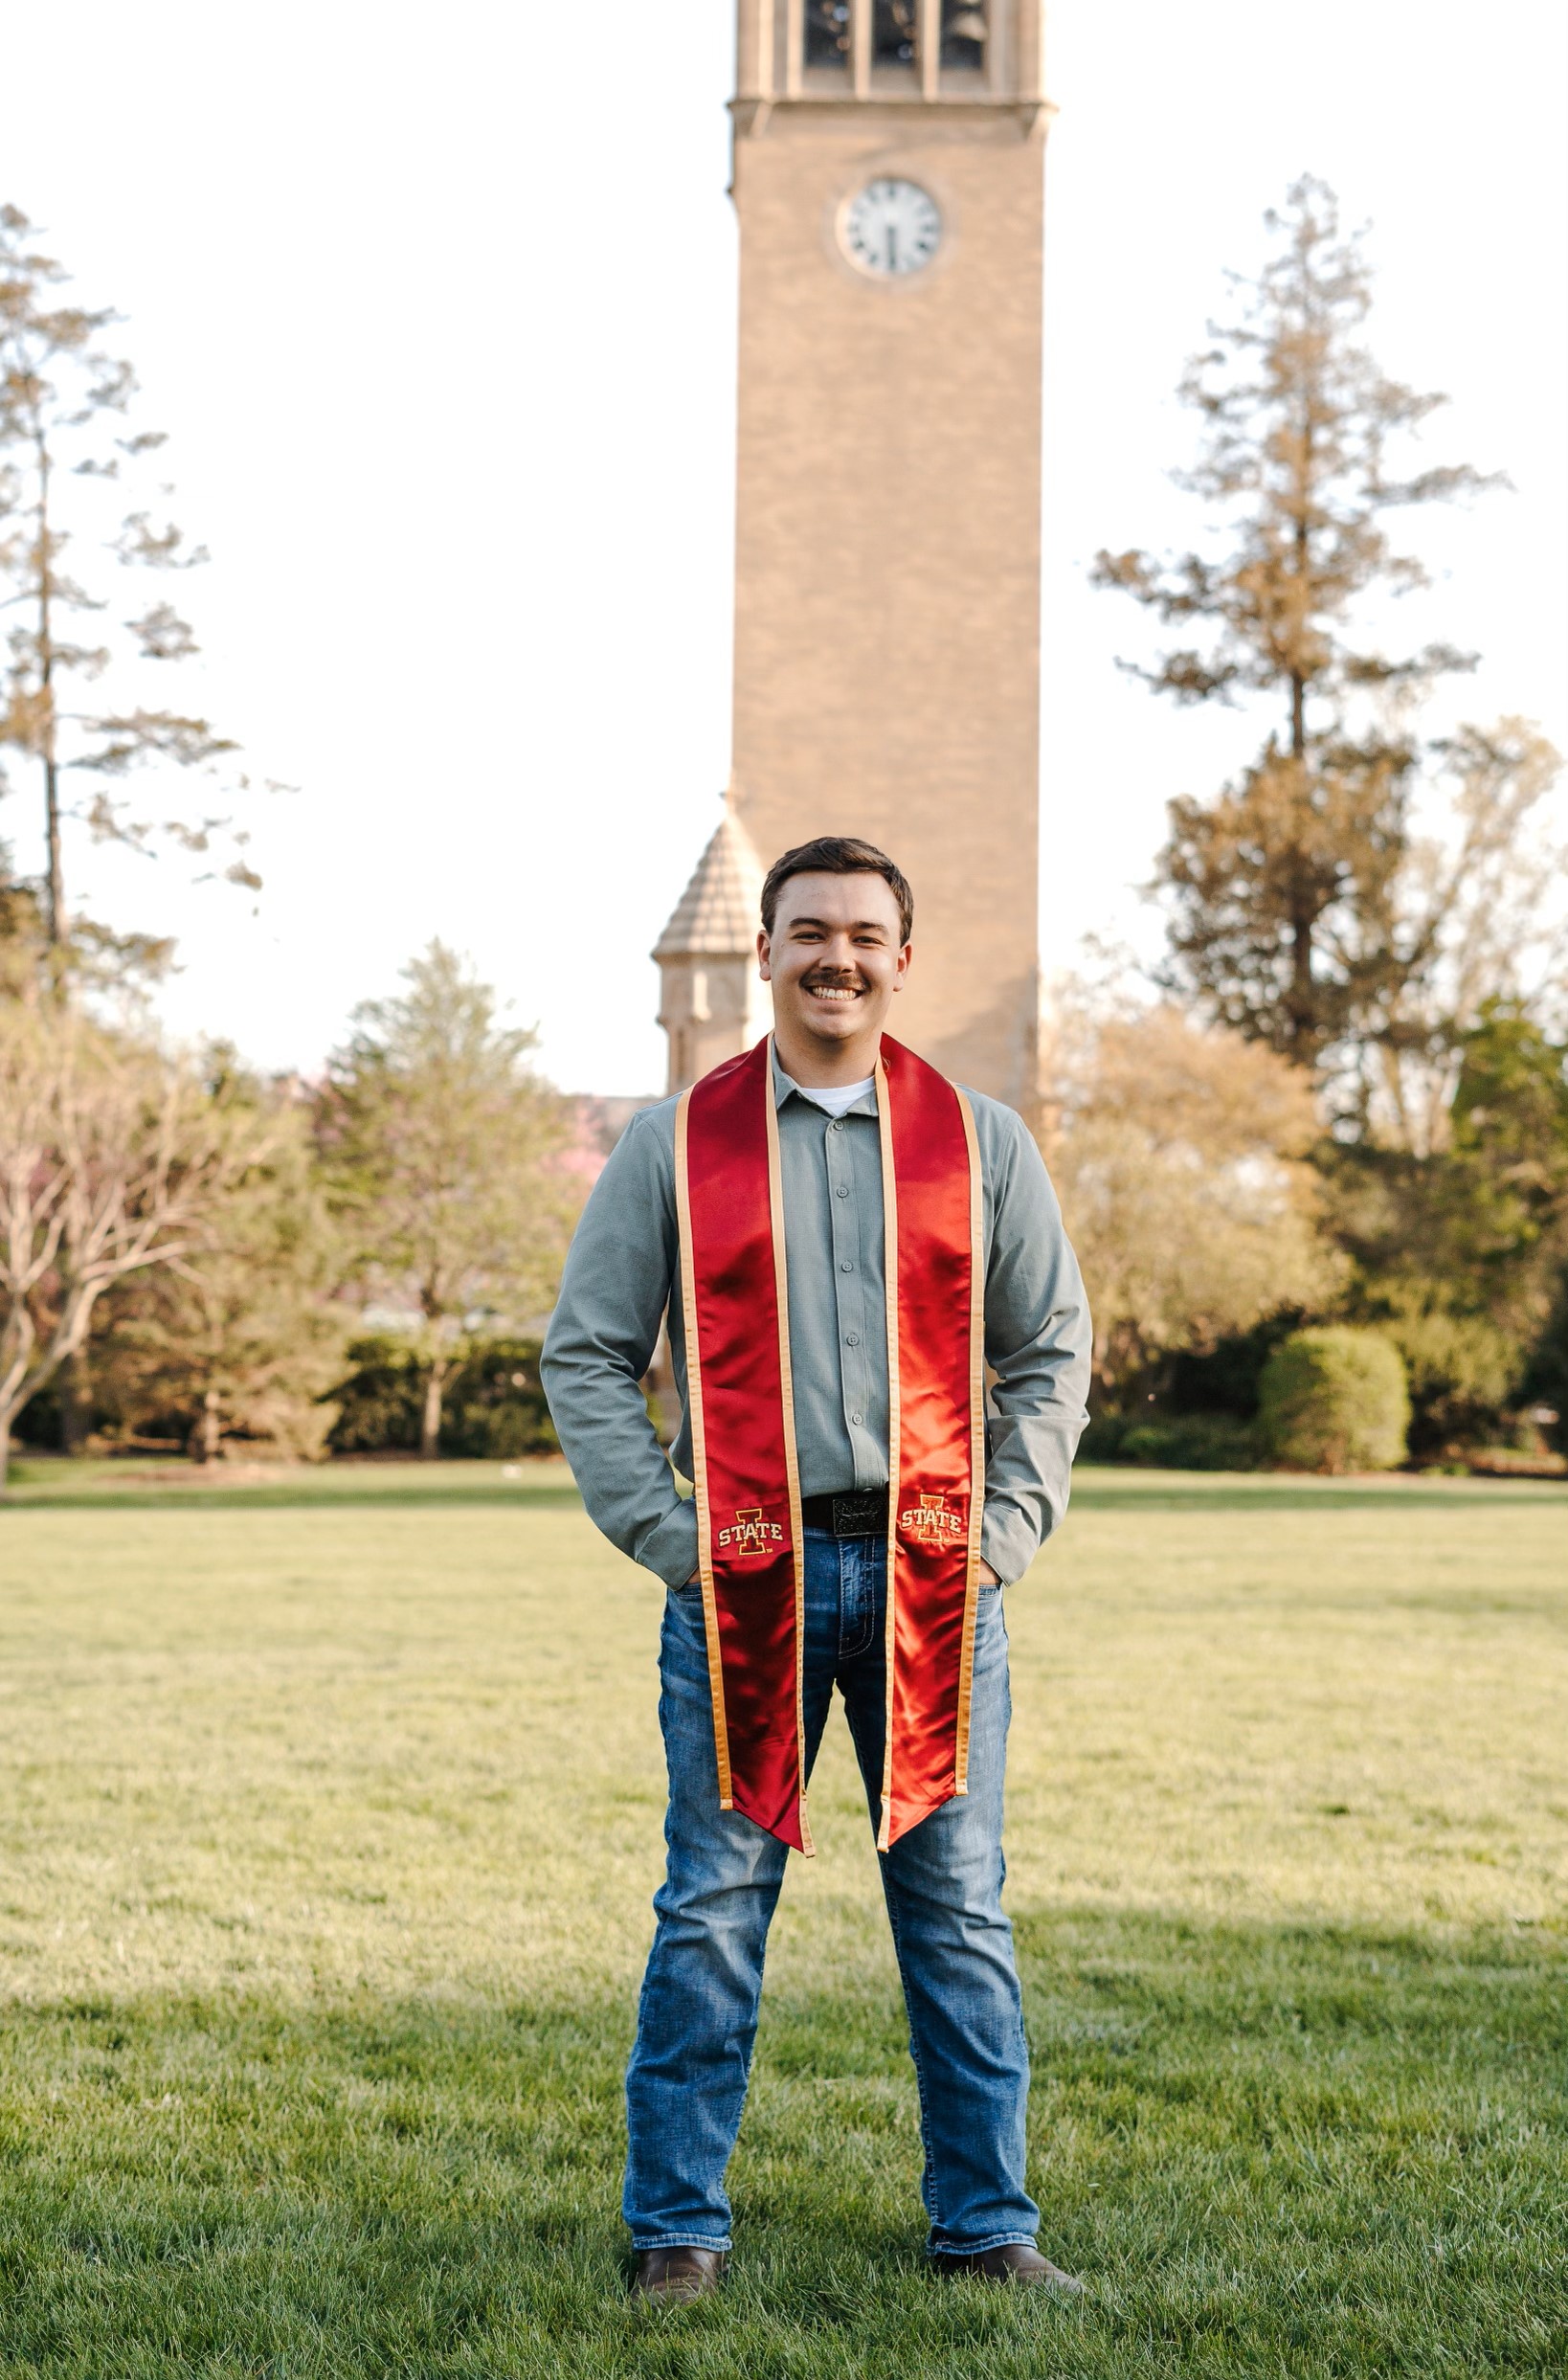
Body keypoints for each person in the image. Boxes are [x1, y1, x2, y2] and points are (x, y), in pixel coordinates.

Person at [542, 835, 1092, 2302]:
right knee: (711, 1909)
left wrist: (1006, 1531)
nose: (834, 955)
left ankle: (985, 2227)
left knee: (958, 1912)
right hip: (741, 1588)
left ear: (901, 957)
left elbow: (1050, 1350)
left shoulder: (979, 1143)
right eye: (807, 932)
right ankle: (678, 2230)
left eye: (863, 932)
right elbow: (586, 1351)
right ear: (766, 952)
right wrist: (667, 1540)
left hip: (931, 1586)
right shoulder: (675, 1142)